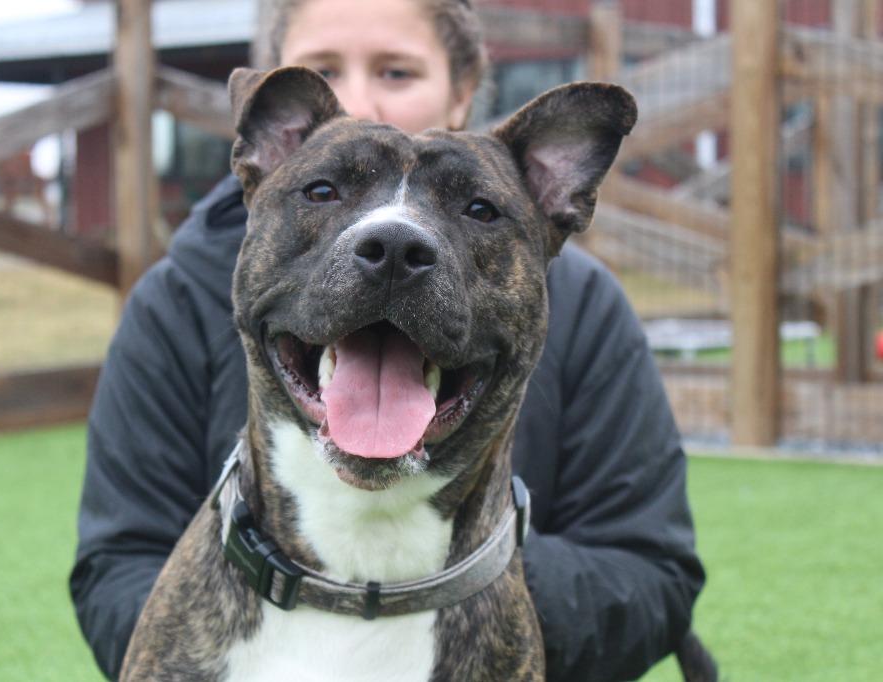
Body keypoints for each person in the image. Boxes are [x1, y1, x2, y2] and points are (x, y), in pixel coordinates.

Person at [70, 1, 706, 680]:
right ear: (269, 145)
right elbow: (119, 563)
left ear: (463, 89)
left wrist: (466, 570)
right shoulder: (170, 302)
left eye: (479, 211)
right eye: (323, 190)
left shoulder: (589, 305)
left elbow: (651, 572)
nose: (362, 100)